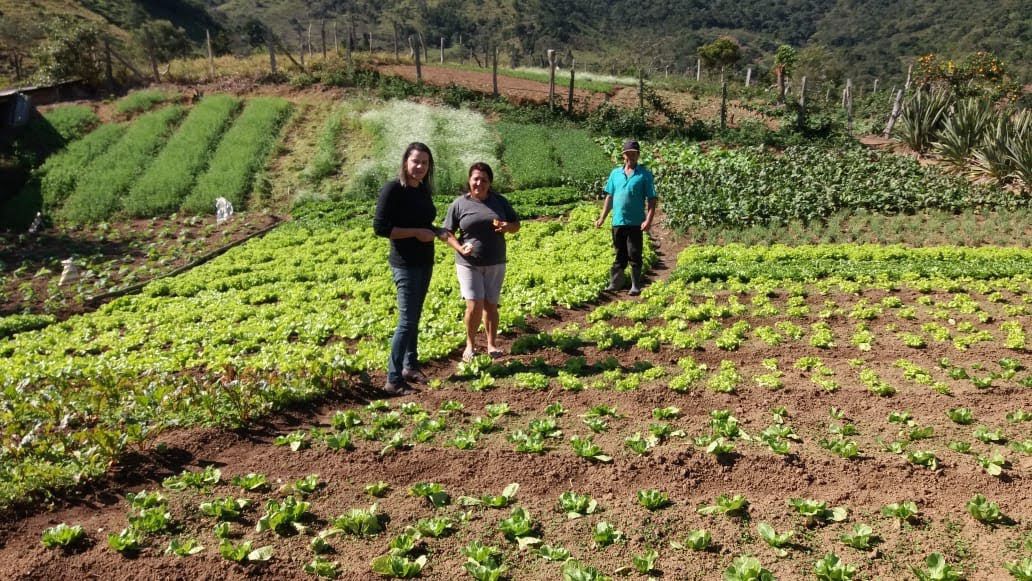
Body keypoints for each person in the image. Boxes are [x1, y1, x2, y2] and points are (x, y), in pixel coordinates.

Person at [373, 142, 468, 395]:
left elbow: (423, 222)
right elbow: (381, 228)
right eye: (416, 161)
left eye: (425, 163)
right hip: (405, 264)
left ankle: (410, 365)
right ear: (406, 161)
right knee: (406, 321)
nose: (420, 167)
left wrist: (437, 231)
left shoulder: (422, 190)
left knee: (415, 316)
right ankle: (393, 380)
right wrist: (416, 233)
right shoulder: (393, 189)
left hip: (425, 260)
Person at [442, 162, 520, 362]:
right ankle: (470, 344)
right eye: (476, 178)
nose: (479, 183)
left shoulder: (500, 201)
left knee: (491, 305)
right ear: (469, 180)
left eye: (484, 180)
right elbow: (446, 232)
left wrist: (506, 227)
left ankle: (491, 344)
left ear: (490, 183)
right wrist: (460, 247)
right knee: (474, 304)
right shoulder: (459, 204)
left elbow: (516, 225)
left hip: (495, 261)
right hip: (468, 262)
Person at [594, 139, 658, 296]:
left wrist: (648, 220)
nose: (631, 156)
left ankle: (635, 285)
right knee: (619, 253)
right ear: (623, 156)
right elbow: (609, 197)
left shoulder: (644, 175)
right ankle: (615, 283)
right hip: (618, 221)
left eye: (634, 154)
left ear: (638, 155)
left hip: (636, 222)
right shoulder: (615, 174)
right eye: (628, 153)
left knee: (634, 253)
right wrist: (602, 218)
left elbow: (652, 199)